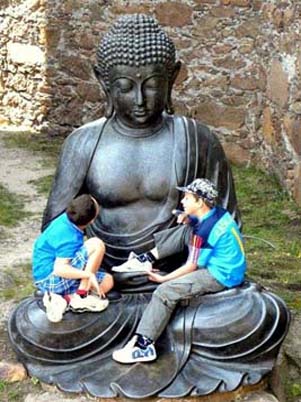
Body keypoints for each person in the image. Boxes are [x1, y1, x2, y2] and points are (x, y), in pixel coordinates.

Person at [42, 14, 240, 277]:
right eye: (125, 87)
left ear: (172, 78)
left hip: (176, 274)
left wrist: (201, 274)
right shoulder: (83, 143)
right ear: (104, 82)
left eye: (152, 86)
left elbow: (226, 224)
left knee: (259, 309)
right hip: (102, 274)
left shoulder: (197, 139)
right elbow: (55, 230)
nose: (139, 100)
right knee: (32, 319)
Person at [112, 178, 247, 363]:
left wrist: (163, 279)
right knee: (185, 229)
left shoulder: (205, 231)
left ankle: (144, 345)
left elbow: (191, 266)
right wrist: (189, 219)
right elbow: (198, 229)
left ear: (200, 202)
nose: (182, 201)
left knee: (165, 292)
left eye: (187, 198)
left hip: (221, 275)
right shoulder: (216, 213)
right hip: (228, 263)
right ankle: (145, 259)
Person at [32, 194, 114, 322]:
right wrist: (87, 275)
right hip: (50, 277)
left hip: (61, 276)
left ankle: (68, 299)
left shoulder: (67, 219)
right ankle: (81, 295)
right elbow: (60, 269)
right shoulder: (69, 237)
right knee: (97, 244)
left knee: (108, 280)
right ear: (91, 221)